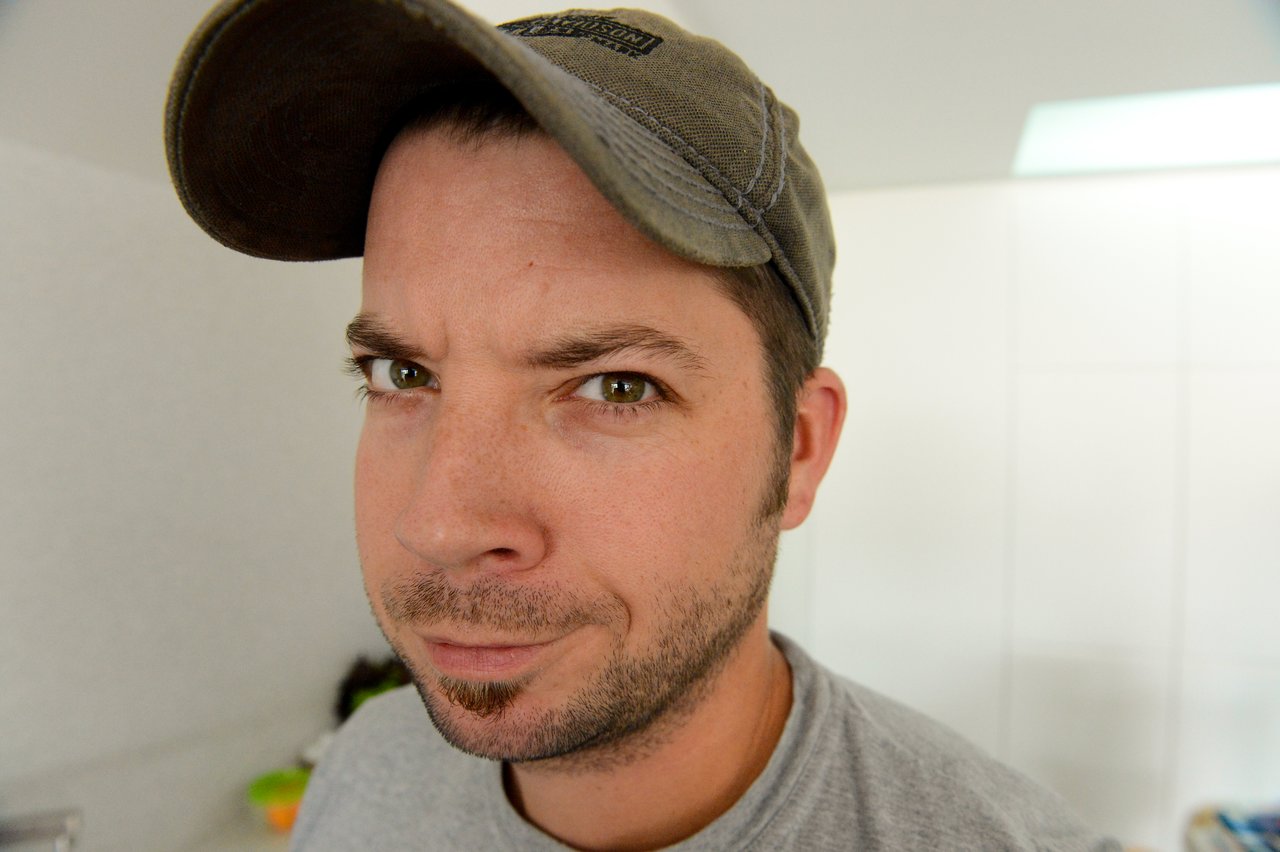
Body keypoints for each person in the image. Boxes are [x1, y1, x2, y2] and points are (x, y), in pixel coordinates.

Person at [167, 1, 1120, 849]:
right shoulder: (365, 771)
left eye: (615, 387)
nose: (442, 526)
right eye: (403, 373)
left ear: (797, 449)